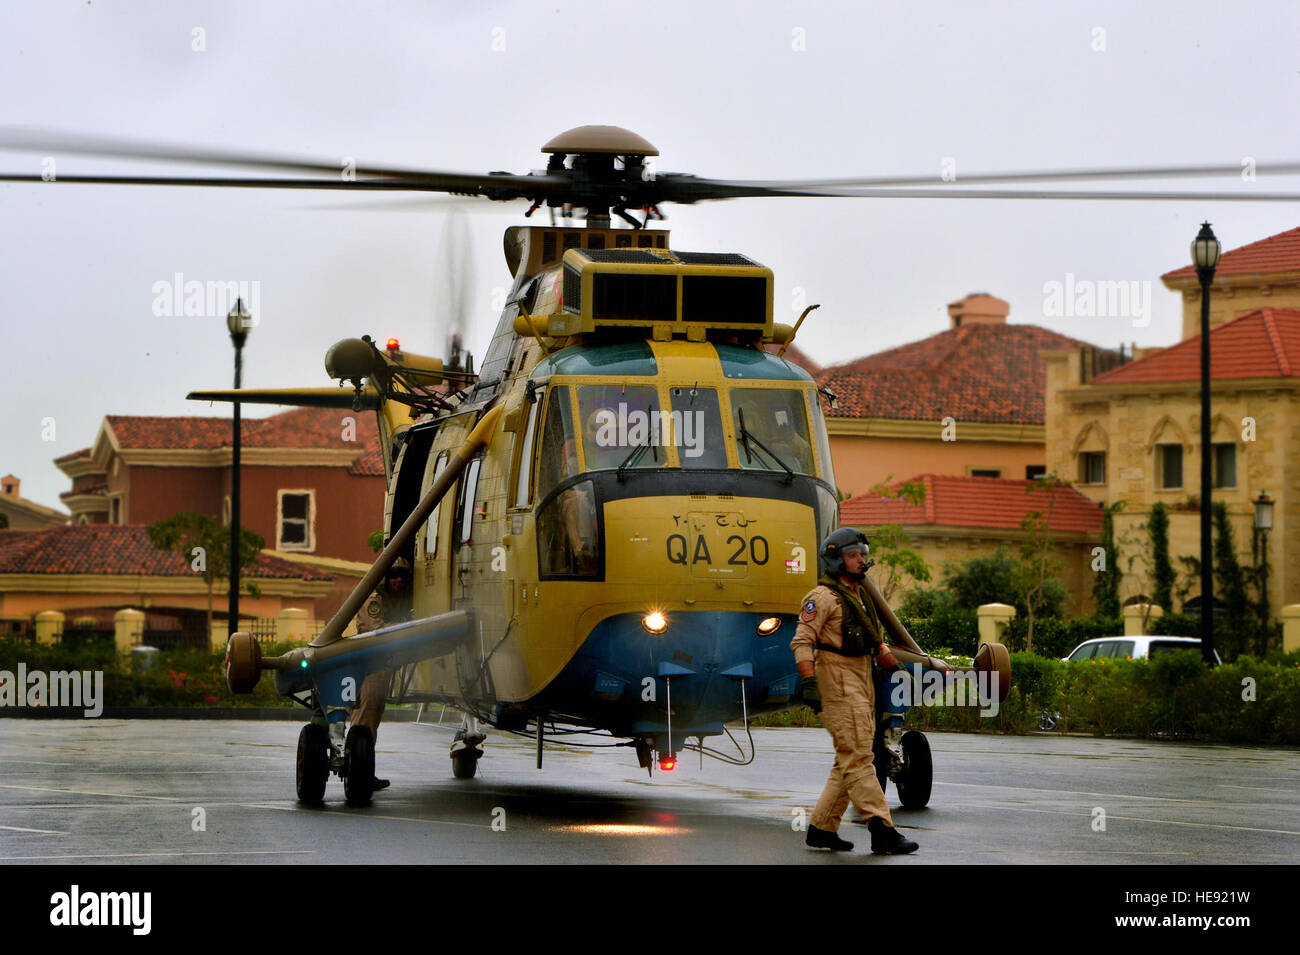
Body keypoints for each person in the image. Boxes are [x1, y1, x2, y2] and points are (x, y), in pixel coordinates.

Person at [791, 528, 919, 854]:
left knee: (847, 759)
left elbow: (874, 641)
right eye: (853, 555)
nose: (861, 560)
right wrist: (809, 681)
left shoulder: (858, 596)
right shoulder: (821, 598)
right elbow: (802, 643)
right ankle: (882, 829)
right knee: (860, 759)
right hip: (837, 679)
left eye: (862, 554)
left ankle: (821, 828)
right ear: (835, 560)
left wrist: (899, 669)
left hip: (860, 676)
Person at [350, 557, 415, 791]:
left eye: (402, 576)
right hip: (371, 663)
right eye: (393, 575)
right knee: (366, 717)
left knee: (372, 715)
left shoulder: (397, 600)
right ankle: (359, 773)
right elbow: (376, 630)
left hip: (382, 663)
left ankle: (364, 771)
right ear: (386, 578)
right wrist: (410, 628)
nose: (398, 580)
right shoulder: (374, 599)